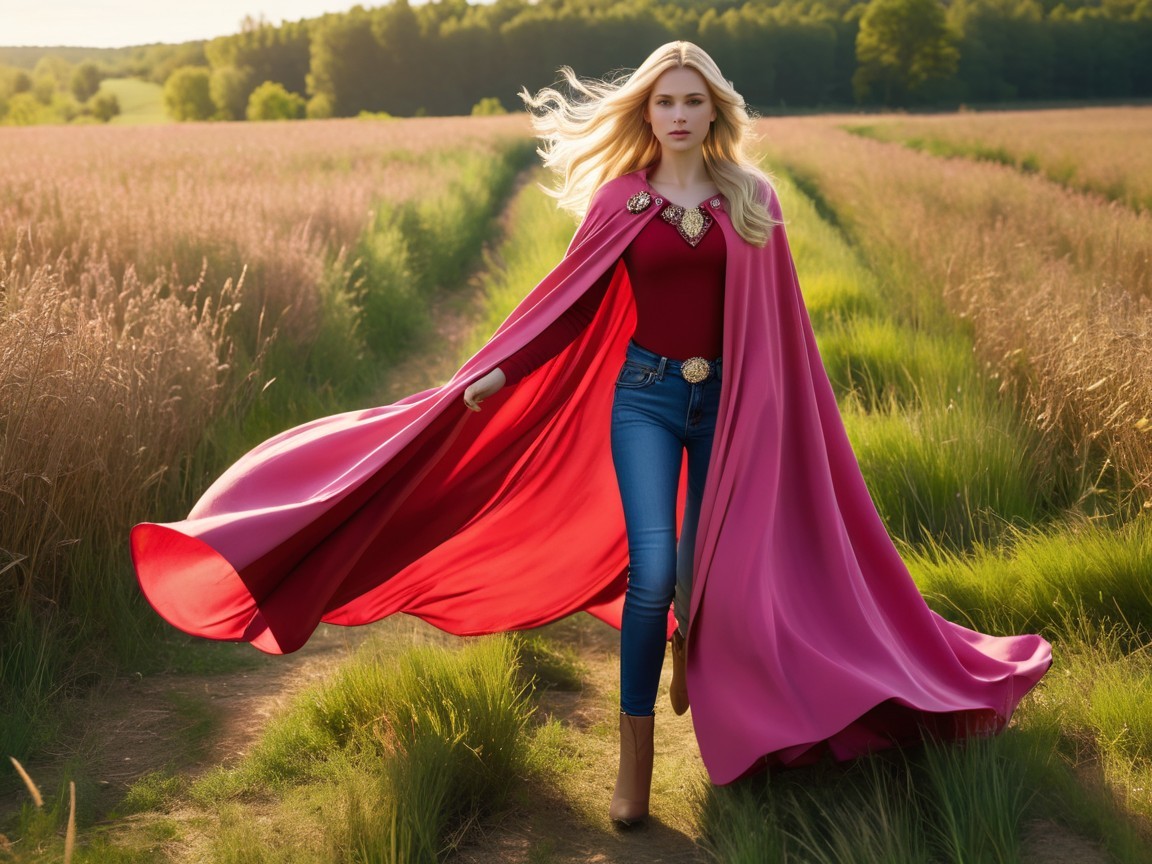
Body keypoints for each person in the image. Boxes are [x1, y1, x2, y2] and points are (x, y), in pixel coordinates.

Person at [131, 42, 1051, 830]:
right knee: (654, 570)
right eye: (665, 100)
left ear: (715, 109)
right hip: (646, 402)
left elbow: (780, 331)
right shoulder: (622, 201)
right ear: (646, 110)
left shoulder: (752, 199)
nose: (680, 114)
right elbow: (566, 307)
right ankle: (634, 760)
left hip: (730, 409)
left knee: (720, 578)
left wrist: (774, 416)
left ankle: (707, 639)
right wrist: (493, 373)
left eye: (694, 100)